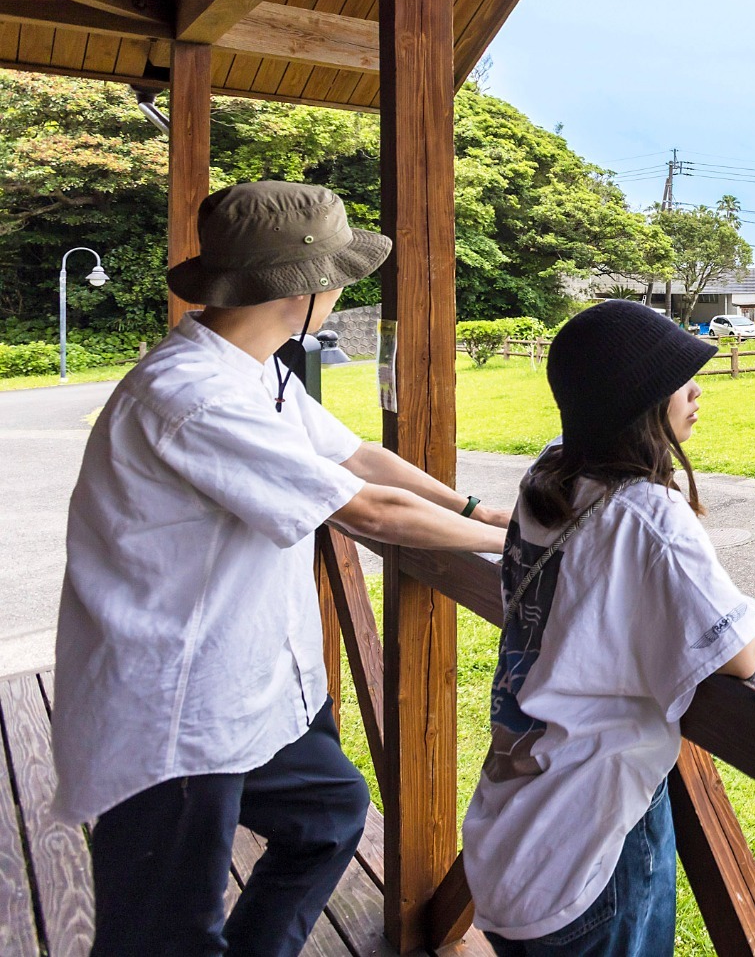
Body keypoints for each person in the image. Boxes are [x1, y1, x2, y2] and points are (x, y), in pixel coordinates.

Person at [52, 180, 512, 957]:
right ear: (303, 288)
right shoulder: (192, 395)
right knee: (161, 936)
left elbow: (358, 454)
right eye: (337, 274)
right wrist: (525, 545)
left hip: (247, 688)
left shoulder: (252, 368)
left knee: (329, 815)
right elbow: (365, 510)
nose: (339, 289)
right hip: (176, 707)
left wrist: (480, 514)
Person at [463, 299, 755, 955]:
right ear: (641, 404)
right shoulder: (650, 515)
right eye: (680, 379)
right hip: (590, 852)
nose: (698, 390)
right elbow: (739, 655)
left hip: (513, 828)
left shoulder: (549, 475)